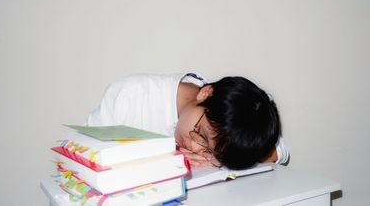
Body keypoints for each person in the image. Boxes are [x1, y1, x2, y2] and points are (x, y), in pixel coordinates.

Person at [86, 72, 289, 170]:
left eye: (209, 151)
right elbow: (81, 154)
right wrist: (163, 157)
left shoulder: (231, 120)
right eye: (200, 133)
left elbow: (280, 152)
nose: (194, 146)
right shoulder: (132, 96)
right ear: (206, 93)